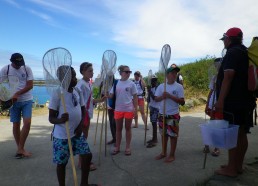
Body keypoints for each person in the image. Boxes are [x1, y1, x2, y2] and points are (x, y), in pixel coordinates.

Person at [214, 27, 256, 177]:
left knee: (232, 134)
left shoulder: (232, 53)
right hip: (246, 101)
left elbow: (228, 77)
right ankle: (237, 165)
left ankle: (231, 169)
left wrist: (220, 100)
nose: (223, 42)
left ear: (229, 39)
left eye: (224, 39)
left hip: (233, 102)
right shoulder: (244, 52)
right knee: (242, 133)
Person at [48, 66, 98, 186]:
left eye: (75, 75)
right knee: (62, 163)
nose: (75, 79)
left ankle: (84, 184)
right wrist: (60, 119)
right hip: (62, 136)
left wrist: (81, 125)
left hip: (77, 133)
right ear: (63, 79)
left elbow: (83, 110)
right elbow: (51, 118)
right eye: (73, 76)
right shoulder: (57, 93)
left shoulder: (77, 91)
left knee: (87, 155)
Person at [0, 53, 33, 159]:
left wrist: (17, 93)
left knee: (27, 123)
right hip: (13, 102)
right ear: (12, 61)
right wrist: (5, 98)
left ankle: (20, 148)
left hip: (27, 99)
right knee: (16, 124)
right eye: (17, 63)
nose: (19, 65)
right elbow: (1, 85)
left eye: (21, 63)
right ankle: (20, 149)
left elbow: (30, 85)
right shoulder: (6, 69)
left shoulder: (27, 69)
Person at [76, 62, 106, 171]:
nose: (92, 72)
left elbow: (90, 99)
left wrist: (100, 100)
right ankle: (81, 162)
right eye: (90, 71)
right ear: (83, 71)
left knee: (84, 137)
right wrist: (82, 115)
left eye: (92, 70)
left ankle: (83, 160)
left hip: (87, 114)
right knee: (82, 138)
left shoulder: (88, 83)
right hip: (83, 114)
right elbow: (80, 102)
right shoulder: (80, 85)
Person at [154, 64, 185, 163]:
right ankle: (163, 153)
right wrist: (162, 97)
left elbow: (182, 102)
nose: (174, 74)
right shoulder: (161, 86)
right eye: (172, 72)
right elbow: (156, 99)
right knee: (163, 135)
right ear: (167, 75)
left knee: (173, 135)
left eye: (175, 73)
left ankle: (172, 155)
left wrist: (169, 96)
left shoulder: (179, 87)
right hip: (162, 114)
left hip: (173, 115)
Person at [110, 65, 138, 156]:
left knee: (128, 128)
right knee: (118, 129)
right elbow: (111, 95)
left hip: (129, 109)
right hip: (118, 109)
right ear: (121, 73)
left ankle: (127, 147)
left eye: (129, 72)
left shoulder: (131, 83)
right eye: (126, 72)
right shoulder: (116, 83)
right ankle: (117, 147)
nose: (128, 73)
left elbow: (135, 96)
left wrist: (135, 109)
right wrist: (106, 94)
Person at [204, 58, 222, 156]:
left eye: (218, 65)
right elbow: (210, 92)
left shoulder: (224, 77)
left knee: (218, 126)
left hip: (220, 105)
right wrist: (207, 104)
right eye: (215, 65)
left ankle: (217, 147)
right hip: (212, 104)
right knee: (210, 125)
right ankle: (207, 145)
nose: (217, 67)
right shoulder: (214, 78)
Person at [146, 75, 159, 148]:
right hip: (151, 107)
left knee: (154, 124)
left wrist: (150, 91)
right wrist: (148, 94)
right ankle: (153, 138)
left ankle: (155, 140)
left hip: (156, 108)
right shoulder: (151, 88)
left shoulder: (157, 88)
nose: (153, 81)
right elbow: (149, 99)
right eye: (152, 80)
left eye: (154, 80)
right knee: (153, 123)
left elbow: (155, 98)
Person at [107, 76, 117, 145]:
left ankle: (117, 139)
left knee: (114, 123)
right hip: (109, 105)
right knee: (111, 123)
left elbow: (112, 96)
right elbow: (102, 94)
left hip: (116, 106)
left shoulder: (116, 84)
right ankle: (114, 138)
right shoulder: (106, 84)